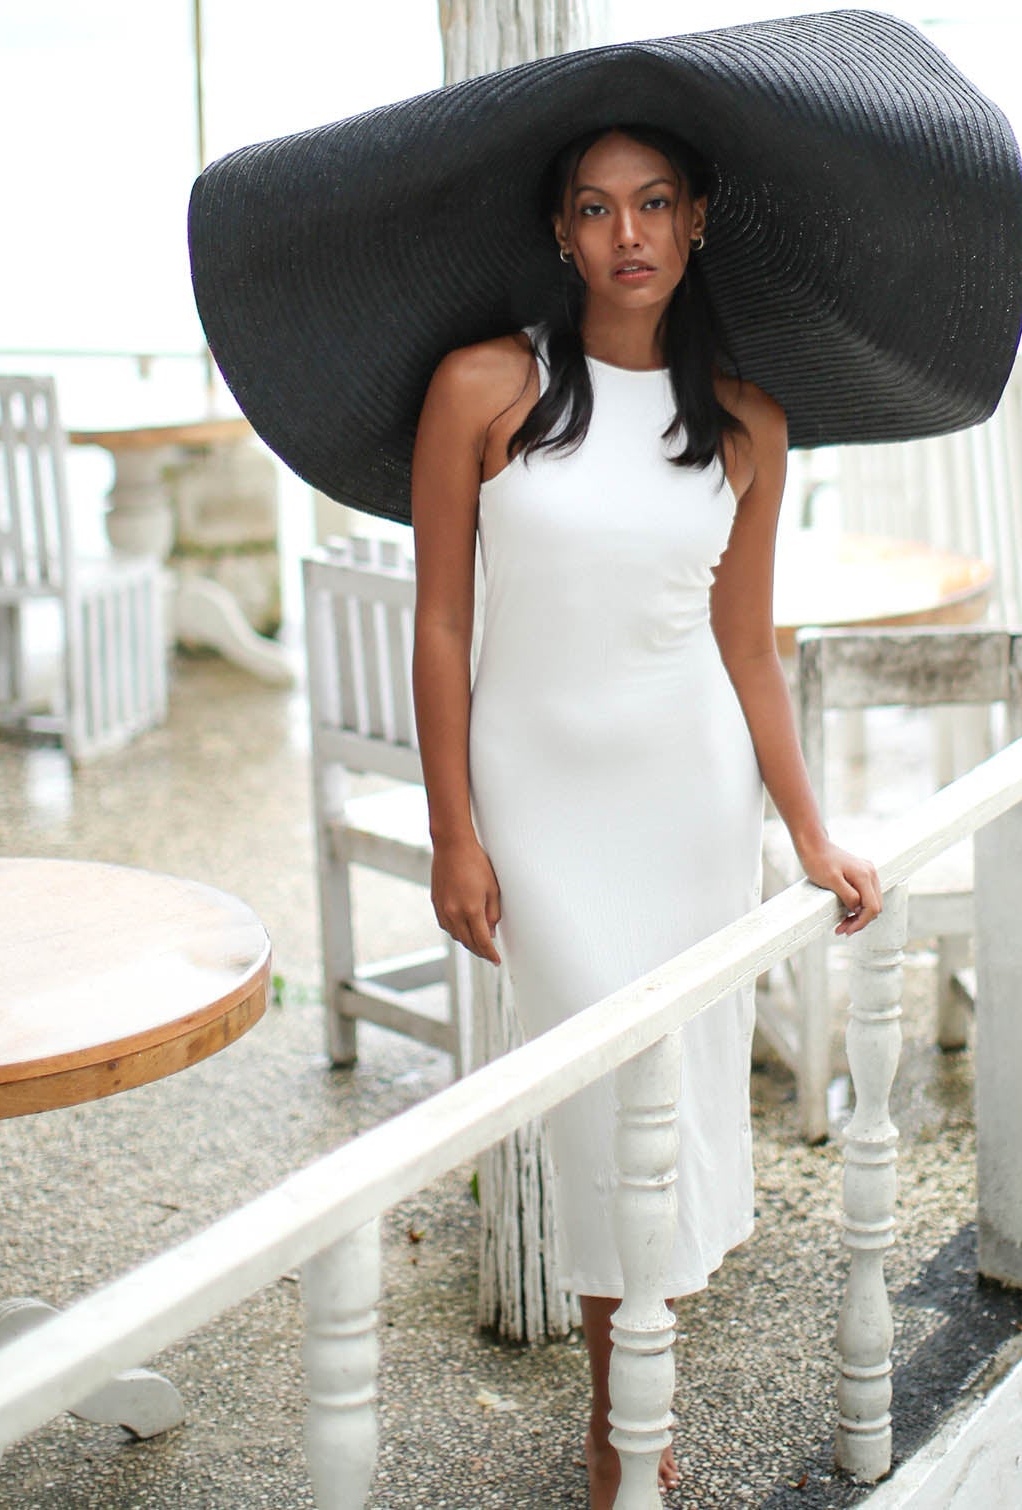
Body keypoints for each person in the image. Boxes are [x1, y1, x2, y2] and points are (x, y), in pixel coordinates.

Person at [408, 121, 882, 1508]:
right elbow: (440, 624)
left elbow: (747, 649)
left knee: (669, 1101)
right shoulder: (482, 387)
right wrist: (452, 829)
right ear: (560, 231)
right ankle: (627, 1417)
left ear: (695, 220)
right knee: (597, 1106)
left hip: (688, 794)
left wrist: (808, 833)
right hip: (538, 799)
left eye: (655, 203)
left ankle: (630, 1417)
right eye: (596, 207)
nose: (628, 233)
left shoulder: (747, 424)